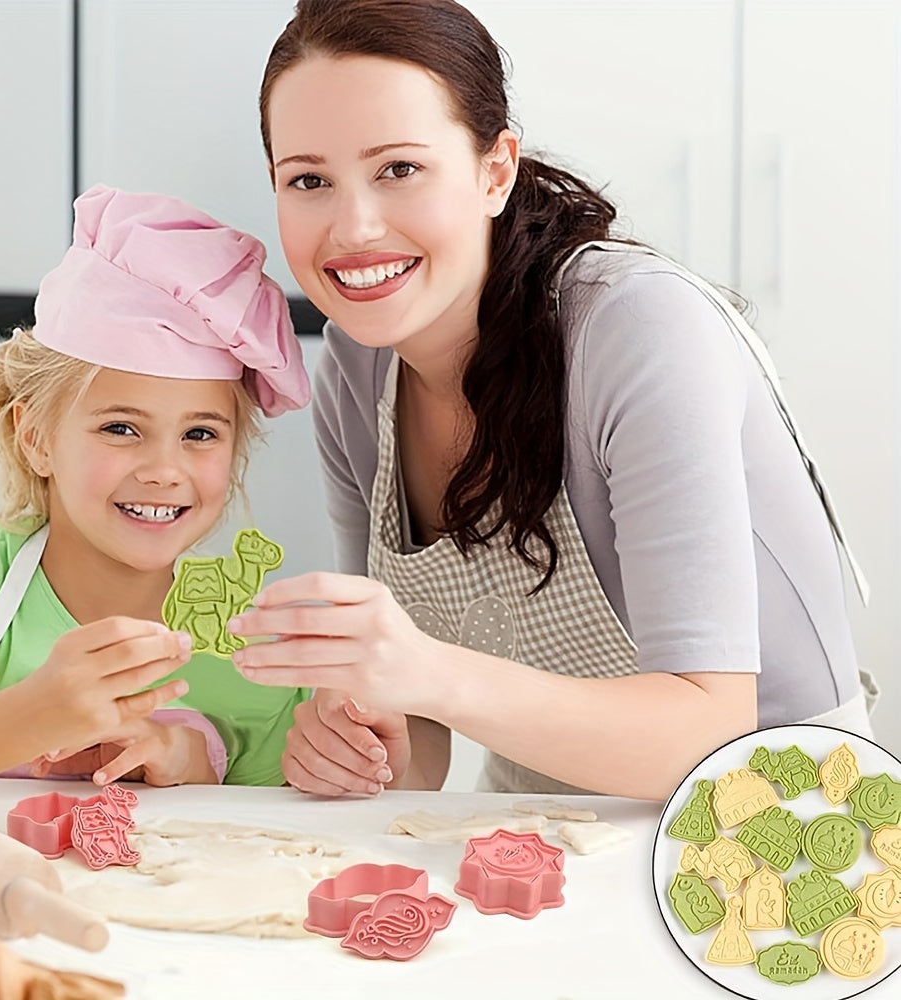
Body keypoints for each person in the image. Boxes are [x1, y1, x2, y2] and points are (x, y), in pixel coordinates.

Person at [228, 0, 877, 801]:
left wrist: (420, 670)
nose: (354, 226)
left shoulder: (635, 329)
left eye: (399, 168)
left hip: (787, 827)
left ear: (494, 168)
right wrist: (364, 747)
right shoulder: (357, 374)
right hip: (542, 812)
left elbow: (711, 739)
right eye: (309, 180)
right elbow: (417, 736)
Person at [0, 184, 310, 797]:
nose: (164, 470)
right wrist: (36, 712)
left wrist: (188, 758)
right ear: (36, 437)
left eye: (200, 433)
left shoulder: (255, 661)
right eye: (121, 428)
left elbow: (273, 844)